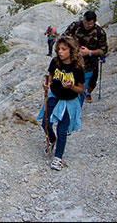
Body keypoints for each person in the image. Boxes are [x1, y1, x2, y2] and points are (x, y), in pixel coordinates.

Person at [37, 36, 84, 171]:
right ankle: (52, 140)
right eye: (58, 49)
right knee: (45, 122)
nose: (60, 52)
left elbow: (81, 89)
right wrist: (47, 84)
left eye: (64, 49)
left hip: (69, 101)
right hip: (55, 96)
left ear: (71, 50)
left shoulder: (77, 68)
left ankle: (58, 156)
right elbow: (50, 75)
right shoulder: (56, 62)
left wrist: (71, 87)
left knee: (62, 130)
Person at [64, 10, 108, 105]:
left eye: (90, 24)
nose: (87, 26)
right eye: (85, 23)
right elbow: (63, 39)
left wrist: (90, 52)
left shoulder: (100, 32)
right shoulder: (75, 26)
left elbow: (103, 50)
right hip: (71, 64)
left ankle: (77, 110)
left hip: (88, 67)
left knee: (82, 90)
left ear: (95, 21)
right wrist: (74, 48)